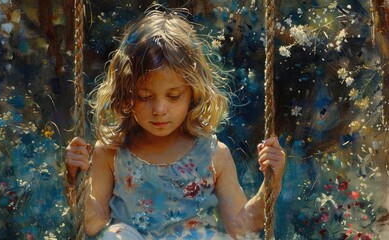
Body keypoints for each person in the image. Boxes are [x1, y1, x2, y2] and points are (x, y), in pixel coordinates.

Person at [64, 5, 286, 240]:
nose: (159, 110)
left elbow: (242, 228)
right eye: (145, 96)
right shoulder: (111, 153)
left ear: (193, 93)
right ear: (126, 94)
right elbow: (94, 223)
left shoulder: (214, 156)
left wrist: (272, 181)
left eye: (173, 96)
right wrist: (74, 180)